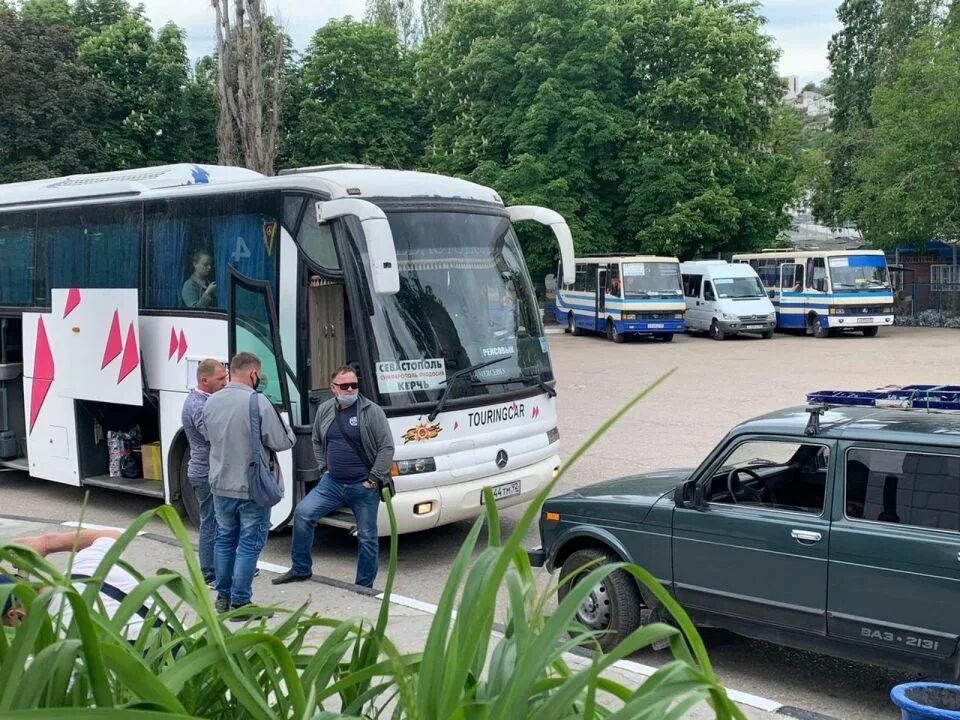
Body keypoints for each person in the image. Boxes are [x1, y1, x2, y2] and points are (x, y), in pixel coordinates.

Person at [273, 366, 394, 589]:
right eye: (344, 386)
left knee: (367, 536)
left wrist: (373, 479)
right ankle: (301, 569)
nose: (350, 389)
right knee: (303, 513)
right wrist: (323, 468)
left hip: (363, 485)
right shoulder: (326, 409)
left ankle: (363, 585)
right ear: (333, 388)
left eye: (354, 385)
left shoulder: (371, 411)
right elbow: (317, 440)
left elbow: (386, 447)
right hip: (332, 483)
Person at [204, 352, 296, 617]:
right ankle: (241, 603)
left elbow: (208, 436)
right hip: (251, 487)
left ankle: (223, 598)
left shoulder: (211, 401)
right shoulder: (258, 402)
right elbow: (282, 441)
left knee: (224, 540)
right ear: (254, 374)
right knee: (249, 543)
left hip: (220, 483)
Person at [1, 528, 140, 634]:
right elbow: (111, 536)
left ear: (18, 618)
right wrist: (45, 543)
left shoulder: (59, 651)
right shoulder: (87, 572)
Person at [180, 358, 229, 588]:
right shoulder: (199, 405)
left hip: (204, 469)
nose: (225, 382)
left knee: (216, 520)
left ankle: (216, 567)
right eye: (221, 379)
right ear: (204, 380)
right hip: (205, 471)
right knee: (212, 521)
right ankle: (209, 572)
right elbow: (212, 435)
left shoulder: (201, 400)